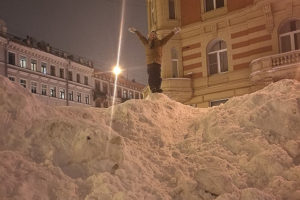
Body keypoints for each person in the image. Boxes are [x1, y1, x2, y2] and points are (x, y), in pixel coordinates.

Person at [129, 27, 181, 93]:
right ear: (149, 36)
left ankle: (158, 87)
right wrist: (136, 31)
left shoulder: (160, 42)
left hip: (157, 62)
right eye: (151, 35)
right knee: (151, 76)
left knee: (157, 76)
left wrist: (173, 32)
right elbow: (141, 37)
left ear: (156, 36)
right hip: (150, 63)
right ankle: (152, 88)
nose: (153, 36)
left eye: (154, 35)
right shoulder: (146, 42)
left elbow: (167, 38)